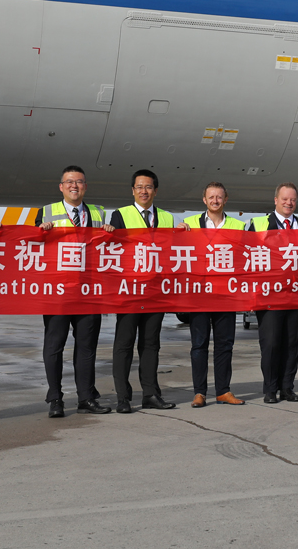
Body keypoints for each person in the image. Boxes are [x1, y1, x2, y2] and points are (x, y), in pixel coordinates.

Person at [37, 165, 113, 418]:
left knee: (86, 347)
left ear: (85, 186)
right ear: (61, 186)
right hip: (58, 290)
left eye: (79, 182)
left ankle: (86, 397)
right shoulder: (45, 212)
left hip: (89, 291)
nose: (74, 186)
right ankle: (55, 399)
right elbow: (33, 248)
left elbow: (108, 248)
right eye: (69, 182)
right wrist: (40, 233)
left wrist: (112, 234)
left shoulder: (99, 213)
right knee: (54, 346)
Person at [108, 169, 185, 413]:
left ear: (155, 190)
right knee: (124, 345)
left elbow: (172, 251)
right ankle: (123, 397)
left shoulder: (166, 217)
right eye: (139, 187)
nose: (144, 191)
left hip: (155, 291)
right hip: (128, 291)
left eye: (148, 187)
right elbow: (111, 252)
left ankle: (150, 393)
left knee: (151, 344)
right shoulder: (120, 215)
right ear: (133, 190)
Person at [247, 182, 298, 403]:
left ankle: (287, 387)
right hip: (269, 296)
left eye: (293, 199)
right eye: (284, 199)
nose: (289, 203)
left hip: (296, 295)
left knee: (292, 343)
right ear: (276, 200)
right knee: (271, 343)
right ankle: (270, 388)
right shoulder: (258, 224)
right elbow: (246, 257)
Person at [183, 182, 246, 408]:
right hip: (199, 294)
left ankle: (223, 391)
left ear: (225, 199)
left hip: (226, 294)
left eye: (219, 197)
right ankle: (199, 392)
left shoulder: (238, 225)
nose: (215, 200)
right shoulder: (190, 223)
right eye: (211, 197)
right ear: (204, 200)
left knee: (224, 345)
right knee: (199, 345)